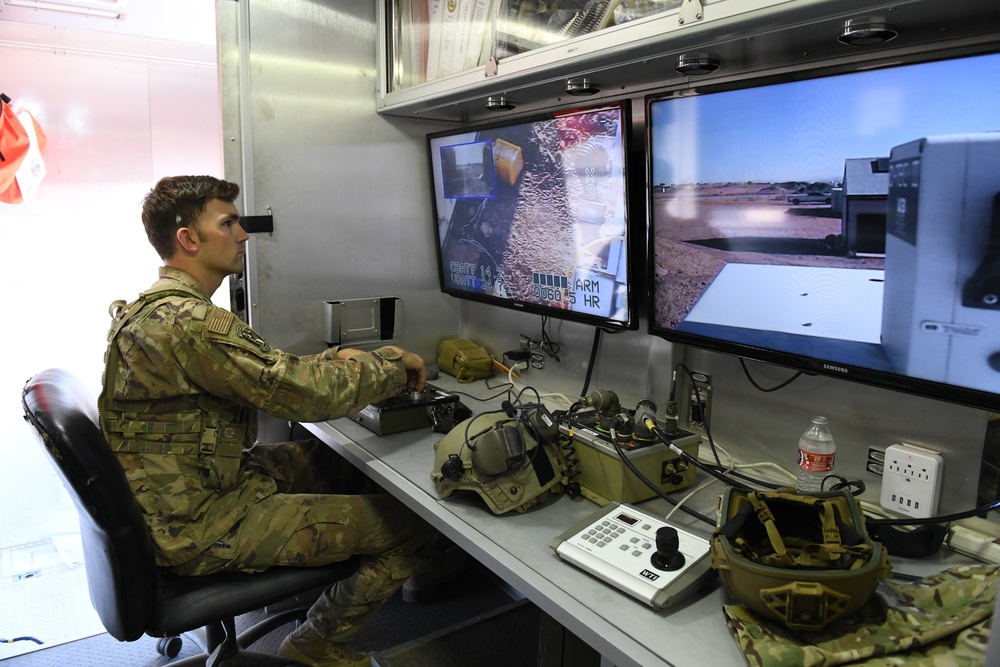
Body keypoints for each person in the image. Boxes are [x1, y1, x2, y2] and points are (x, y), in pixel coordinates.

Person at [98, 175, 440, 667]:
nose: (242, 235)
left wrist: (334, 362)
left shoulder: (156, 312)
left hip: (184, 498)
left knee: (334, 462)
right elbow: (298, 394)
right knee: (413, 526)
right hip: (200, 525)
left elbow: (265, 372)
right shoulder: (189, 323)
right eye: (229, 223)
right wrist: (388, 365)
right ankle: (316, 644)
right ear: (188, 240)